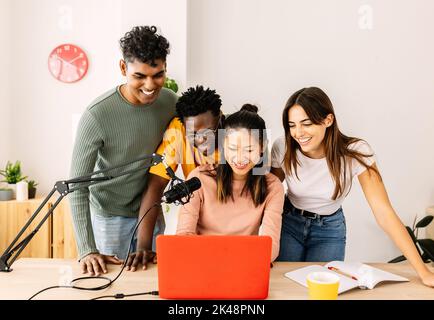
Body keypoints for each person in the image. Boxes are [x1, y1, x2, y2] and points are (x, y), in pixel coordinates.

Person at [271, 87, 434, 286]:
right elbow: (266, 191)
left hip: (329, 230)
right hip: (289, 224)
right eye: (292, 125)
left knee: (324, 290)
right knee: (283, 286)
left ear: (328, 120)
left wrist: (423, 271)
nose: (298, 133)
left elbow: (384, 213)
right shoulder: (283, 147)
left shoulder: (355, 152)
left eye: (307, 124)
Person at [69, 26, 178, 276]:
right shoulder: (97, 115)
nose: (150, 85)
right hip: (109, 218)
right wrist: (87, 248)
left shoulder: (171, 102)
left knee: (152, 283)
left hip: (150, 215)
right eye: (139, 75)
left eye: (158, 74)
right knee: (112, 286)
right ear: (122, 68)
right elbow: (76, 186)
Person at [125, 85, 223, 271]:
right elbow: (156, 186)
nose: (201, 140)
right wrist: (143, 247)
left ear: (219, 120)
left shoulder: (238, 133)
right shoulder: (177, 130)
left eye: (207, 132)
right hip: (199, 217)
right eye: (193, 134)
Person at [176, 104, 284, 262]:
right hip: (202, 262)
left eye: (248, 150)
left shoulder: (273, 187)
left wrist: (239, 261)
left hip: (245, 264)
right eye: (233, 149)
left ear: (262, 147)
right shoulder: (198, 179)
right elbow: (183, 236)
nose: (240, 159)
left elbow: (271, 245)